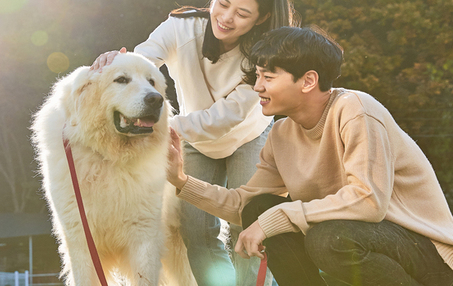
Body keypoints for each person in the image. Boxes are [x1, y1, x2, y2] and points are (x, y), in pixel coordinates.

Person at [166, 26, 453, 286]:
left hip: (430, 257)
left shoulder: (355, 110)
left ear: (308, 81)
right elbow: (244, 205)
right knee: (260, 209)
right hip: (366, 241)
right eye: (257, 76)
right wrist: (180, 180)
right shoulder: (281, 135)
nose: (257, 87)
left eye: (268, 76)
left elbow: (368, 201)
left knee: (328, 239)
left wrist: (279, 215)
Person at [91, 0, 296, 285]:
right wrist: (116, 63)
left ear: (263, 18)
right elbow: (145, 60)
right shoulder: (180, 27)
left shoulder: (266, 57)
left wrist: (158, 129)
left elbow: (224, 118)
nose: (226, 18)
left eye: (242, 14)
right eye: (223, 3)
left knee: (250, 226)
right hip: (192, 139)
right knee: (196, 232)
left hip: (248, 137)